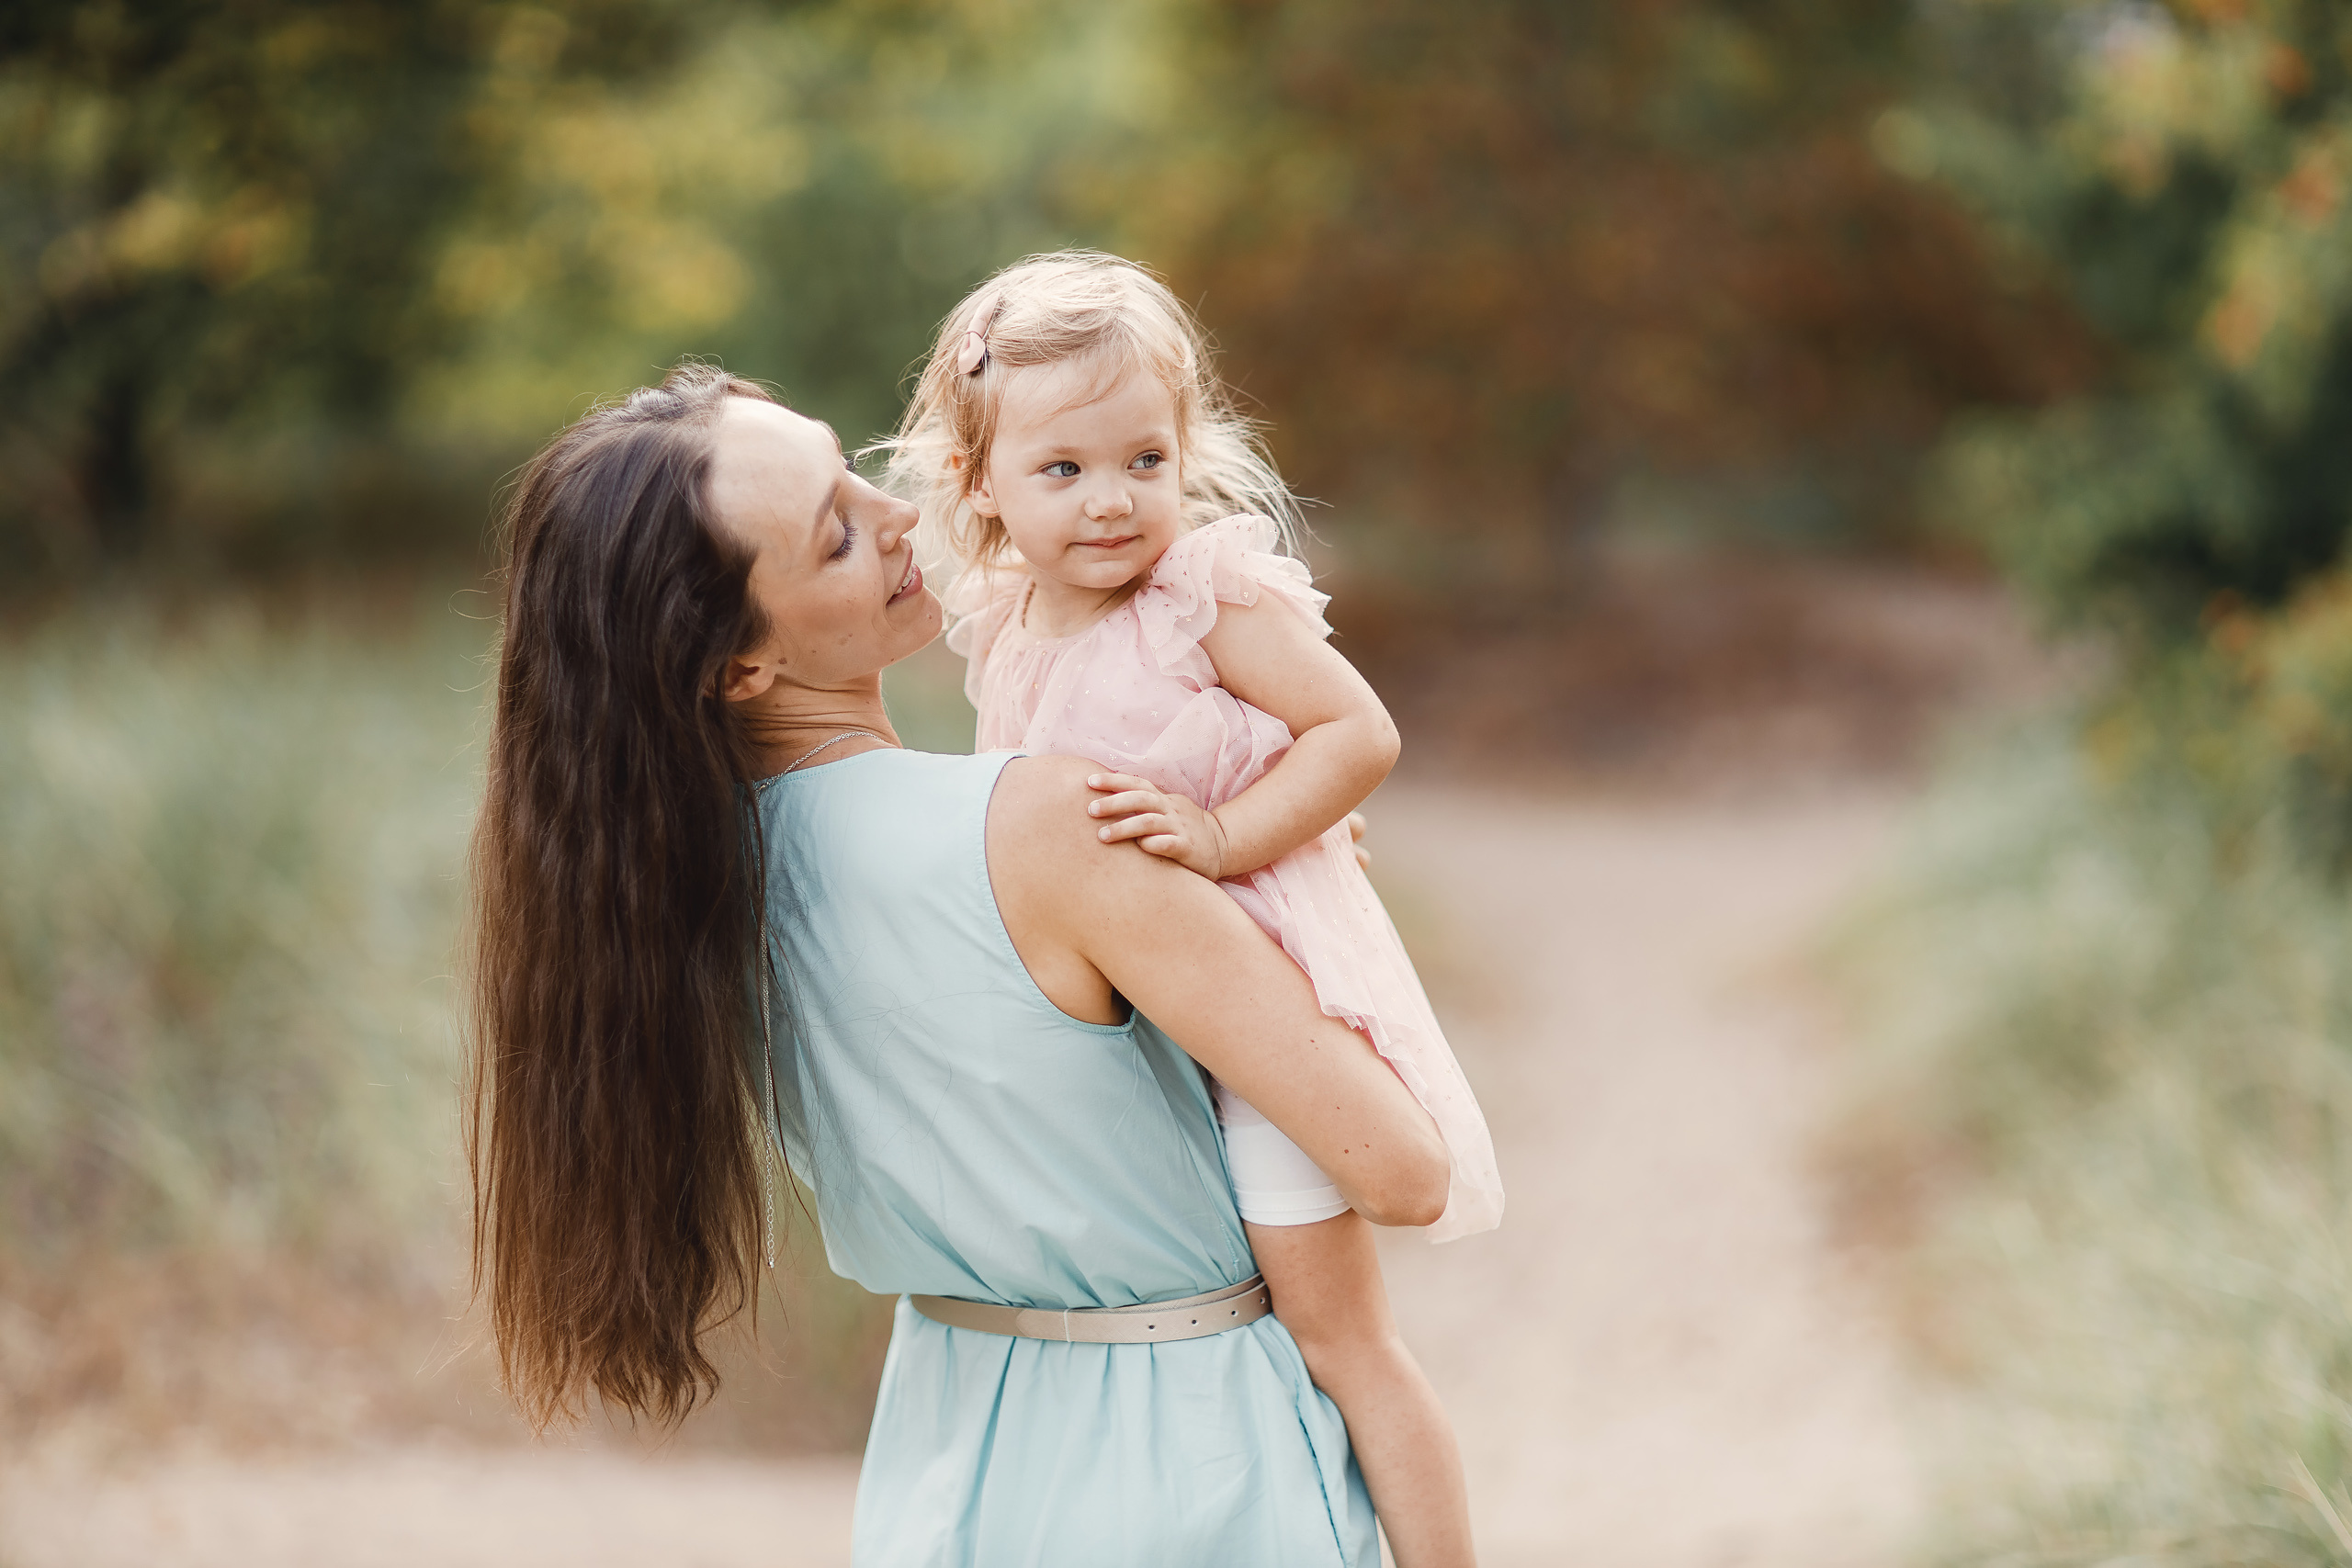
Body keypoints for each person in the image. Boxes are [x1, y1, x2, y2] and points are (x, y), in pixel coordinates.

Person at [465, 363, 1453, 1566]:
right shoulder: (1045, 829)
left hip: (950, 1465)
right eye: (835, 536)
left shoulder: (671, 904)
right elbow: (1399, 1169)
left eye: (853, 475)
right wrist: (1284, 885)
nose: (896, 517)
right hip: (1195, 1472)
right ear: (738, 666)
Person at [877, 251, 1500, 1566]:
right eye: (1065, 471)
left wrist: (1231, 832)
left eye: (1143, 461)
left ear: (1184, 452)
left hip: (1263, 1010)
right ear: (978, 480)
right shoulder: (1005, 623)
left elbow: (1356, 732)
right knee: (1216, 1324)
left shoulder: (1202, 598)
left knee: (1340, 1336)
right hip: (1142, 1032)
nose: (1113, 503)